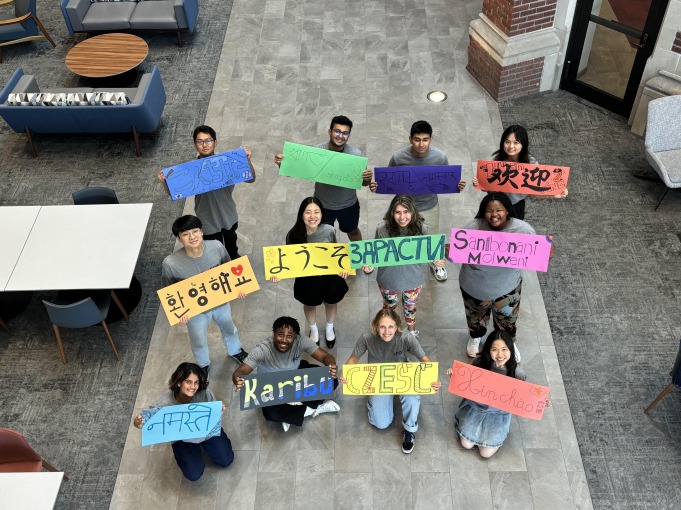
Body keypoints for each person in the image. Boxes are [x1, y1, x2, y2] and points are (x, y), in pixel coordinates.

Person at [370, 120, 465, 281]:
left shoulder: (440, 157)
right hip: (404, 206)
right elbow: (389, 180)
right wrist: (377, 186)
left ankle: (436, 263)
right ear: (410, 139)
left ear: (431, 139)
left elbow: (445, 179)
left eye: (425, 139)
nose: (421, 144)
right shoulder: (398, 157)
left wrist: (456, 185)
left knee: (433, 237)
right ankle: (392, 259)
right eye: (417, 139)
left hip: (429, 205)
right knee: (397, 234)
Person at [340, 309, 441, 454]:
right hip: (377, 379)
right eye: (382, 327)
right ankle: (373, 403)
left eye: (391, 327)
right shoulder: (366, 337)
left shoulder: (406, 337)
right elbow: (353, 359)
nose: (386, 331)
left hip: (403, 376)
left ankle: (409, 431)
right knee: (381, 424)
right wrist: (347, 373)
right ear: (376, 326)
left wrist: (432, 378)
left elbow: (424, 359)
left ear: (397, 327)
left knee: (412, 399)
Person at [161, 215, 248, 373]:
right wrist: (179, 313)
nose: (192, 237)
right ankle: (203, 365)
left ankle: (236, 350)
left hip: (221, 303)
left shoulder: (216, 246)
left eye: (195, 231)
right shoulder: (170, 264)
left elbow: (228, 269)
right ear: (179, 238)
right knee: (198, 340)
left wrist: (238, 288)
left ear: (202, 232)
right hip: (195, 312)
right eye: (186, 234)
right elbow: (169, 291)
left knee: (230, 328)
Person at [458, 193, 539, 360]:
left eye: (499, 210)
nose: (494, 214)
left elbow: (535, 255)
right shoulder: (471, 228)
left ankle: (508, 342)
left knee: (507, 321)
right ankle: (476, 337)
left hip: (507, 288)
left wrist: (547, 255)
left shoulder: (523, 230)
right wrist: (449, 251)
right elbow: (457, 254)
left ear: (507, 210)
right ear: (483, 212)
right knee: (475, 317)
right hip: (474, 287)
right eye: (489, 211)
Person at [158, 125, 256, 260]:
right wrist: (164, 182)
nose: (204, 145)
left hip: (228, 213)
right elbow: (173, 192)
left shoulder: (228, 162)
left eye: (208, 140)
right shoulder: (190, 169)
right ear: (195, 145)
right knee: (214, 247)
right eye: (200, 141)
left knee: (231, 241)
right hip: (207, 217)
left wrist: (247, 161)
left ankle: (233, 258)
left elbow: (251, 179)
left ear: (215, 142)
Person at [446, 331, 548, 458]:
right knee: (466, 444)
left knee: (486, 453)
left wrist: (539, 401)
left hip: (498, 415)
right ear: (488, 350)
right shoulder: (479, 363)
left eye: (504, 349)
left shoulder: (517, 373)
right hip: (476, 409)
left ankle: (492, 437)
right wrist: (455, 376)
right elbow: (468, 383)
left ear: (511, 350)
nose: (500, 355)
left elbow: (524, 395)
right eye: (495, 349)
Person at [232, 316, 340, 432]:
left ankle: (292, 408)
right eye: (280, 334)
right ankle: (316, 408)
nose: (284, 340)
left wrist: (331, 365)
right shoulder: (262, 349)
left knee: (331, 380)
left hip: (296, 376)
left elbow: (325, 356)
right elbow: (240, 371)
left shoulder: (301, 341)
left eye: (289, 336)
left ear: (295, 337)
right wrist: (238, 379)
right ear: (274, 333)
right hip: (271, 386)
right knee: (271, 415)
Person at [274, 115, 372, 242]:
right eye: (337, 131)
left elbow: (364, 183)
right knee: (322, 236)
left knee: (352, 231)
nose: (341, 136)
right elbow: (294, 171)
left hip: (349, 205)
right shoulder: (316, 152)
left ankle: (361, 257)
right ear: (329, 132)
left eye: (345, 133)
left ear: (349, 136)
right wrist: (282, 164)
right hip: (323, 205)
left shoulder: (356, 155)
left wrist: (368, 179)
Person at [133, 362, 234, 481]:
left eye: (196, 382)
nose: (193, 386)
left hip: (206, 432)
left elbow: (214, 417)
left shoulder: (204, 393)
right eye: (189, 382)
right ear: (179, 382)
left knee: (226, 460)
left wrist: (218, 411)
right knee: (193, 475)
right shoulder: (163, 404)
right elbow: (143, 422)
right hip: (183, 439)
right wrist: (138, 422)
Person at [270, 197, 349, 348]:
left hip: (330, 277)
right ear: (301, 215)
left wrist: (342, 268)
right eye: (308, 212)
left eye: (316, 212)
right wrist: (278, 272)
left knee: (331, 302)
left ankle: (329, 327)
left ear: (322, 214)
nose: (312, 216)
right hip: (306, 279)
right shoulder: (293, 235)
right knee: (309, 304)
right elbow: (289, 260)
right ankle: (313, 330)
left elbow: (336, 253)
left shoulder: (329, 230)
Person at [365, 194, 438, 337]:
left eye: (406, 212)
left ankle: (411, 333)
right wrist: (369, 263)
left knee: (410, 308)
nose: (402, 217)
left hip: (413, 280)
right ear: (392, 213)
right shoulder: (382, 229)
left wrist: (436, 261)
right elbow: (375, 252)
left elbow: (428, 253)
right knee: (389, 307)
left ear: (413, 212)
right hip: (388, 280)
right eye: (397, 212)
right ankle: (389, 331)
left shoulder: (422, 229)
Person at [472, 125, 567, 220]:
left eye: (516, 142)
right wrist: (479, 183)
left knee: (514, 231)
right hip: (494, 203)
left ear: (523, 144)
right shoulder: (495, 160)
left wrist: (551, 193)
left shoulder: (531, 164)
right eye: (507, 142)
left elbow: (532, 192)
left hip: (516, 205)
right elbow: (486, 188)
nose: (511, 146)